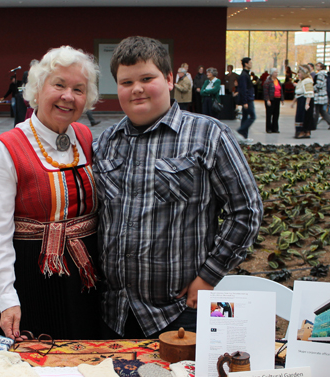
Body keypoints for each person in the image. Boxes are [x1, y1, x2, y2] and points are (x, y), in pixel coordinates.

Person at [92, 36, 262, 339]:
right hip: (114, 312)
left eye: (147, 78)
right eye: (126, 82)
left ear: (170, 79)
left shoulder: (208, 135)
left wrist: (208, 276)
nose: (137, 89)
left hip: (181, 311)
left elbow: (245, 211)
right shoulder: (106, 142)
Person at [0, 46, 102, 341]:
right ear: (37, 88)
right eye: (58, 84)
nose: (68, 96)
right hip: (31, 281)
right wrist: (6, 298)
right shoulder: (6, 149)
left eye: (78, 89)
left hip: (85, 279)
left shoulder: (83, 137)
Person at [236, 57, 256, 144]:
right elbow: (243, 89)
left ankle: (243, 137)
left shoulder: (246, 74)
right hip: (248, 99)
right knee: (252, 116)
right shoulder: (244, 75)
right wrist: (245, 102)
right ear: (246, 64)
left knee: (245, 117)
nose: (251, 64)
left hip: (248, 99)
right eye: (250, 62)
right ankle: (240, 131)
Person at [291, 65, 314, 139]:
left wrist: (307, 104)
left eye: (300, 73)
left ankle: (304, 131)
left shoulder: (307, 80)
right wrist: (293, 102)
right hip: (301, 100)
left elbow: (309, 93)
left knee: (304, 117)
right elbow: (298, 93)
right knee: (299, 116)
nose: (298, 74)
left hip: (305, 100)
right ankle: (301, 131)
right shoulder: (301, 81)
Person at [313, 63, 330, 130]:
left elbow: (319, 85)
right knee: (321, 110)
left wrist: (312, 88)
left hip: (319, 95)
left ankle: (314, 124)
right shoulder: (324, 74)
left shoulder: (320, 74)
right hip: (322, 95)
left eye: (318, 66)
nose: (316, 67)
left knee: (316, 110)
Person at [263, 68, 284, 133]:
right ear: (272, 73)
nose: (276, 74)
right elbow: (265, 91)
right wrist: (267, 99)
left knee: (276, 114)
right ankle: (268, 128)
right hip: (271, 99)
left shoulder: (278, 81)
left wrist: (282, 99)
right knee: (269, 114)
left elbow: (281, 90)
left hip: (277, 98)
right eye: (275, 72)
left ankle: (275, 128)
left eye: (277, 72)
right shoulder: (268, 81)